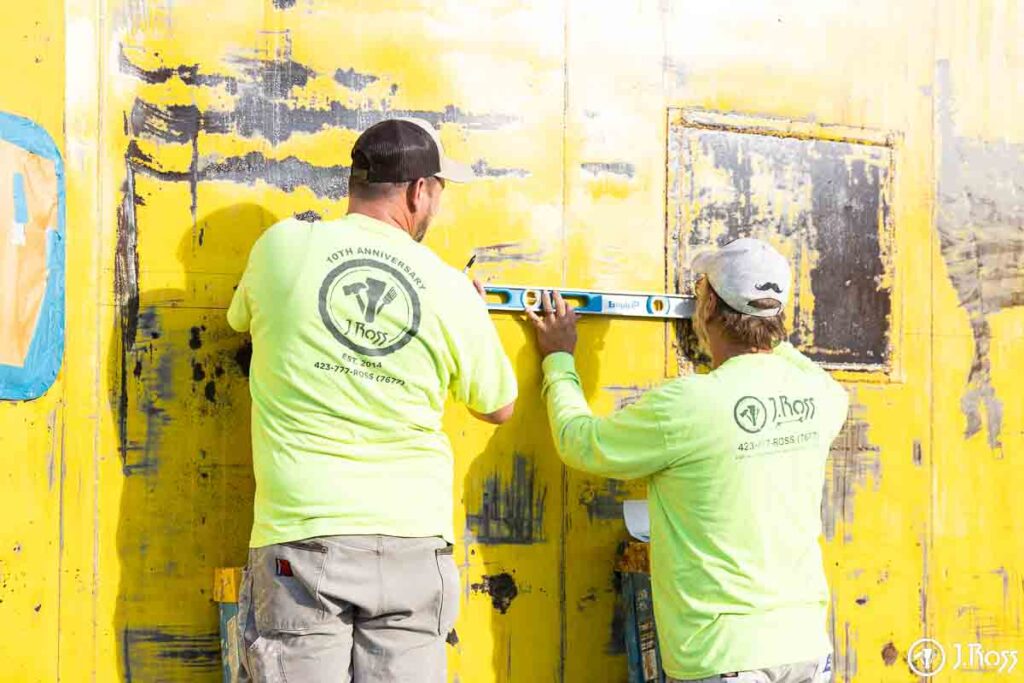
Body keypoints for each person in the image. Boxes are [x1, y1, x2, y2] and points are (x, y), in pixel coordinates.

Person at [228, 117, 517, 682]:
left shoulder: (282, 248)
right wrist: (469, 311)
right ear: (418, 191)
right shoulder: (448, 287)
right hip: (412, 541)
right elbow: (497, 404)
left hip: (304, 541)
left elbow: (240, 317)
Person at [527, 238, 848, 683]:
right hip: (807, 651)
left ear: (709, 305)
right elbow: (796, 363)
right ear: (778, 315)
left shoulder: (688, 405)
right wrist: (769, 326)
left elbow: (580, 442)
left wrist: (559, 359)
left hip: (724, 657)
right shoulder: (822, 397)